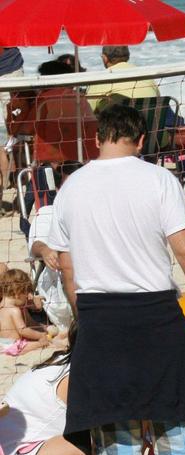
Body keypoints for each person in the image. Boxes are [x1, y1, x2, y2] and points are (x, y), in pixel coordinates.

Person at [45, 103, 185, 455]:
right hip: (155, 315)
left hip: (98, 318)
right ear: (141, 140)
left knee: (116, 441)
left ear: (96, 138)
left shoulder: (71, 187)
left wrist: (86, 319)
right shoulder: (159, 179)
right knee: (179, 427)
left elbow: (67, 270)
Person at [0, 322, 83, 455]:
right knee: (96, 440)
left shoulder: (64, 361)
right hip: (18, 449)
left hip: (10, 441)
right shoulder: (78, 377)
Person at [28, 161, 83, 333]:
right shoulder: (47, 212)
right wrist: (45, 250)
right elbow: (36, 245)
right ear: (59, 189)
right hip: (58, 287)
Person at [0, 269, 56, 356]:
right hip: (14, 346)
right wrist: (40, 336)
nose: (28, 297)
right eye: (26, 293)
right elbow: (23, 331)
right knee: (44, 343)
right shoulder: (14, 310)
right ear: (17, 292)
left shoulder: (2, 307)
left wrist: (43, 329)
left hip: (2, 344)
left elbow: (30, 324)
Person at [85, 46, 160, 110]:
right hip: (150, 125)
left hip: (117, 125)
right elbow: (158, 101)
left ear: (104, 58)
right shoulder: (147, 76)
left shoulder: (99, 80)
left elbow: (88, 112)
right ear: (128, 56)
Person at [0, 47, 23, 206]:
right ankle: (21, 194)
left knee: (14, 136)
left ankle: (17, 193)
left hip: (10, 68)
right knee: (17, 135)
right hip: (11, 68)